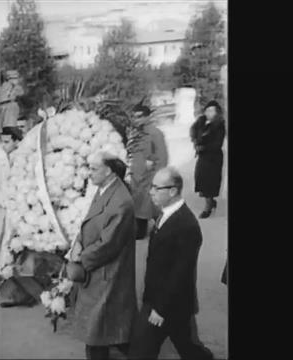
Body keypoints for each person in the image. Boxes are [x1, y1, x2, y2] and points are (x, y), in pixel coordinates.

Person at [129, 167, 214, 360]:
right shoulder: (166, 213)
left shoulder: (186, 225)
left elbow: (180, 272)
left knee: (141, 351)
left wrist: (160, 308)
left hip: (167, 305)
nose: (151, 192)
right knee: (188, 346)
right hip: (165, 301)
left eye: (156, 188)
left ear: (173, 191)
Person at [66, 151, 137, 360]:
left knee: (97, 330)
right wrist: (78, 241)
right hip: (99, 267)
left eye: (94, 168)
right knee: (101, 327)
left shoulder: (121, 202)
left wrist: (81, 257)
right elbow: (90, 221)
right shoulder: (105, 190)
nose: (89, 173)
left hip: (108, 270)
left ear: (109, 171)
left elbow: (108, 244)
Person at [0, 127, 38, 308]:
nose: (4, 146)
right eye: (2, 142)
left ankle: (22, 293)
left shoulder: (25, 158)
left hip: (19, 209)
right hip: (2, 207)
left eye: (7, 142)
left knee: (17, 247)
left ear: (17, 141)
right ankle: (2, 283)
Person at [129, 103, 169, 240]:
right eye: (134, 117)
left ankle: (161, 229)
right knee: (139, 206)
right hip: (137, 178)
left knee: (151, 206)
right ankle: (142, 230)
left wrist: (157, 177)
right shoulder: (135, 133)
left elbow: (163, 158)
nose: (136, 120)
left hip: (149, 178)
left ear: (148, 117)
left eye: (140, 116)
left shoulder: (155, 133)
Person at [190, 100, 226, 219]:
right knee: (201, 179)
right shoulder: (201, 122)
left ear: (217, 112)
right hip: (203, 157)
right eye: (207, 110)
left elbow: (217, 144)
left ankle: (208, 207)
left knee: (210, 182)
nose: (208, 112)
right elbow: (193, 132)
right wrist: (195, 142)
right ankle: (210, 201)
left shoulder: (219, 125)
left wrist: (203, 147)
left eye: (211, 110)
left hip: (213, 157)